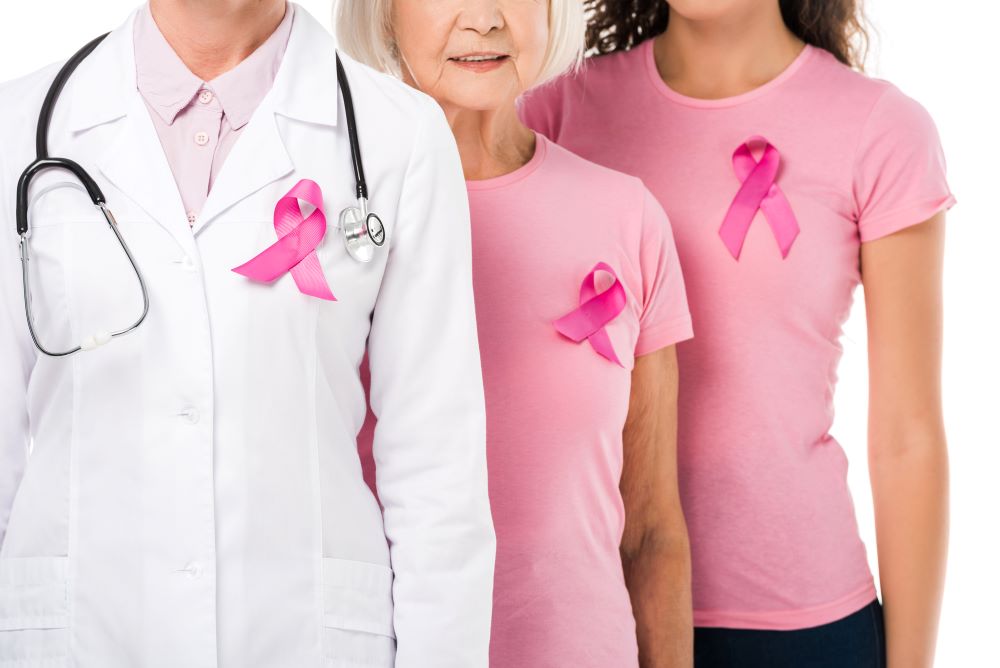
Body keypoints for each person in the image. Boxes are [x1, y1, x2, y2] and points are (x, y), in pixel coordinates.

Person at [0, 2, 495, 666]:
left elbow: (438, 467)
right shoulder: (17, 125)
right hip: (80, 632)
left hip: (302, 636)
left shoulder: (397, 137)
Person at [519, 1, 954, 666]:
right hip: (596, 609)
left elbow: (907, 433)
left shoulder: (879, 129)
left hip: (806, 627)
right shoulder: (553, 112)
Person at [338, 1, 696, 666]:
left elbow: (651, 534)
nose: (484, 19)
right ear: (384, 13)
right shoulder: (333, 216)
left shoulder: (626, 216)